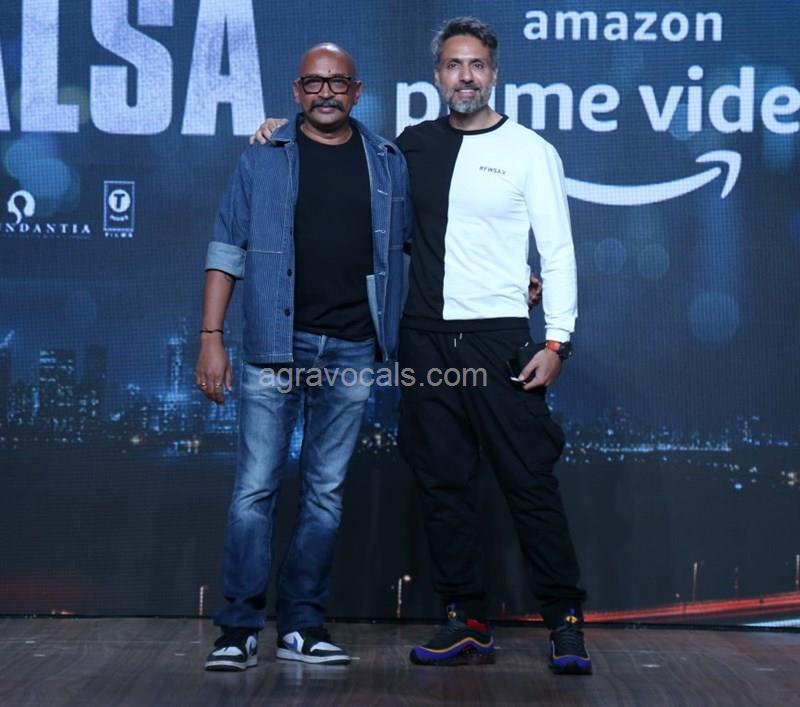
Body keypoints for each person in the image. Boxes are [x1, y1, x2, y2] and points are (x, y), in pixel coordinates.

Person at [251, 17, 589, 676]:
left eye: (477, 65)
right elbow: (343, 161)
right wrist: (277, 131)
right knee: (443, 485)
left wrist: (558, 340)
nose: (466, 76)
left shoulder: (530, 150)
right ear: (437, 75)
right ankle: (466, 618)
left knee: (529, 484)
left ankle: (566, 622)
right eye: (454, 65)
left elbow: (559, 251)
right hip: (424, 339)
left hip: (499, 340)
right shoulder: (408, 148)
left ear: (494, 74)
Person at [196, 43, 410, 671]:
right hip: (272, 345)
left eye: (338, 83)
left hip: (353, 347)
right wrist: (211, 337)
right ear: (296, 92)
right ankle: (238, 628)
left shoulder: (387, 162)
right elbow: (226, 248)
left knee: (325, 493)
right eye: (314, 83)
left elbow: (418, 247)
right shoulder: (263, 157)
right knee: (254, 489)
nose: (325, 93)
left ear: (356, 92)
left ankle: (301, 624)